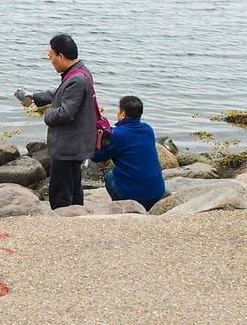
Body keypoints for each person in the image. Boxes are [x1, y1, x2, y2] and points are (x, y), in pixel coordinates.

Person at [17, 34, 97, 208]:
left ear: (60, 56)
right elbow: (59, 93)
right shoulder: (79, 71)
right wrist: (35, 96)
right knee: (74, 189)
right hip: (74, 146)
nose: (50, 60)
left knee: (60, 194)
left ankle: (64, 226)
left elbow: (65, 113)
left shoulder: (76, 79)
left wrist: (47, 114)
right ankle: (76, 220)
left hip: (67, 148)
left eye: (50, 56)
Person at [90, 96, 166, 210]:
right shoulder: (148, 129)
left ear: (123, 114)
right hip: (157, 192)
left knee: (110, 176)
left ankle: (122, 207)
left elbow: (96, 157)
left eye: (118, 109)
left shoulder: (116, 134)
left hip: (135, 196)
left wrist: (97, 140)